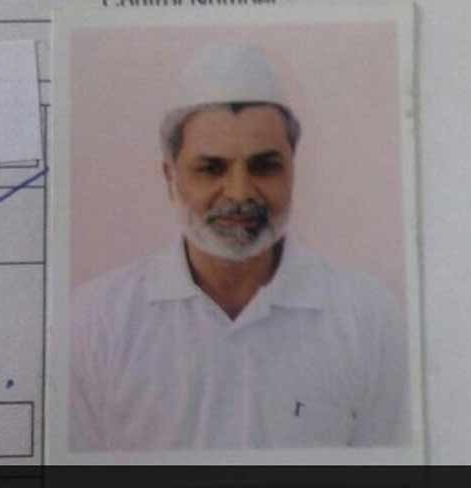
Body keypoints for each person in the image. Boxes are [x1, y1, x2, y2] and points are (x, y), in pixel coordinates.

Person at [69, 44, 407, 451]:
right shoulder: (97, 323)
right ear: (170, 177)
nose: (240, 192)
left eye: (264, 166)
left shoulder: (367, 319)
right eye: (211, 168)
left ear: (292, 169)